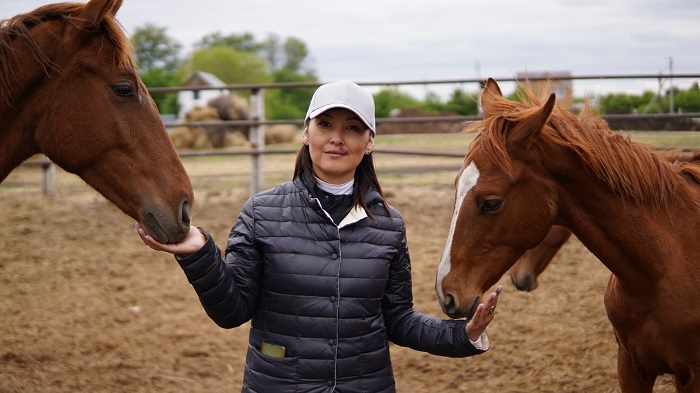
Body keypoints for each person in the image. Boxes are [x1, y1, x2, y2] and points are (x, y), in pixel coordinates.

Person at [136, 80, 502, 393]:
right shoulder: (260, 213)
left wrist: (463, 334)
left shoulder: (389, 225)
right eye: (325, 124)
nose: (337, 139)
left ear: (370, 141)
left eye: (353, 128)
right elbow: (232, 312)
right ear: (306, 132)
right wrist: (199, 253)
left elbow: (398, 320)